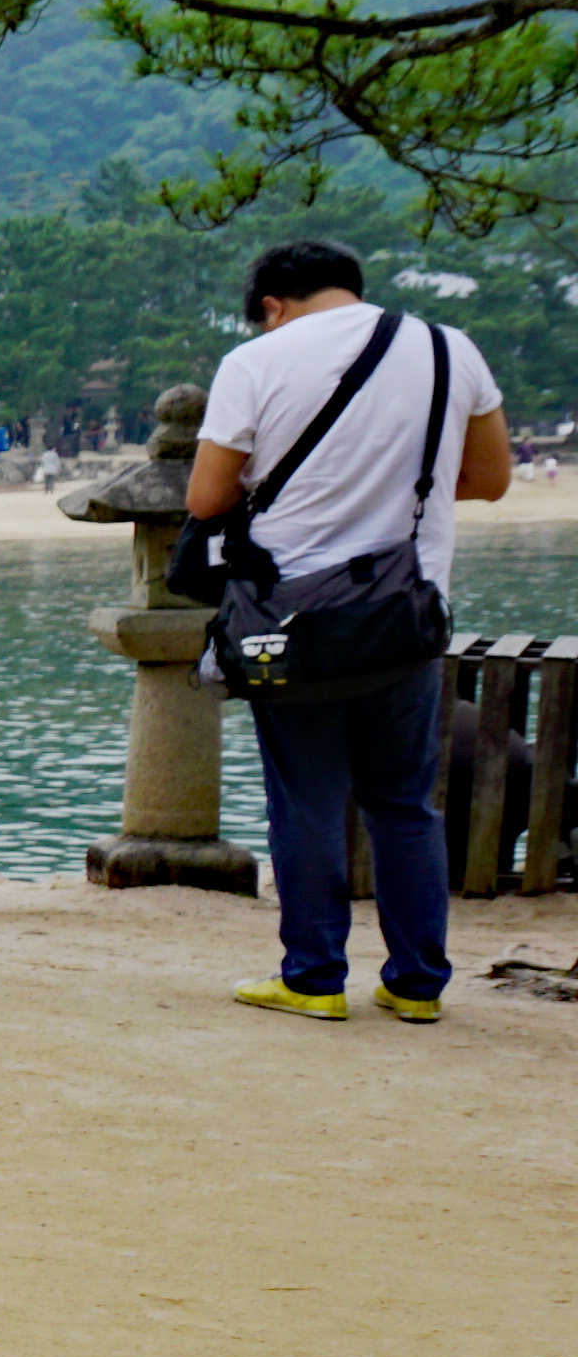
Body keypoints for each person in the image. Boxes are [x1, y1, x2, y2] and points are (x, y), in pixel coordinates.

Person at [190, 237, 516, 1022]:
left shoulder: (254, 362)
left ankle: (314, 979)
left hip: (290, 620)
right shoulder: (450, 347)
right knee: (404, 803)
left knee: (306, 801)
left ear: (272, 305)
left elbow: (205, 498)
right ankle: (416, 986)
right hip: (406, 613)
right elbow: (491, 478)